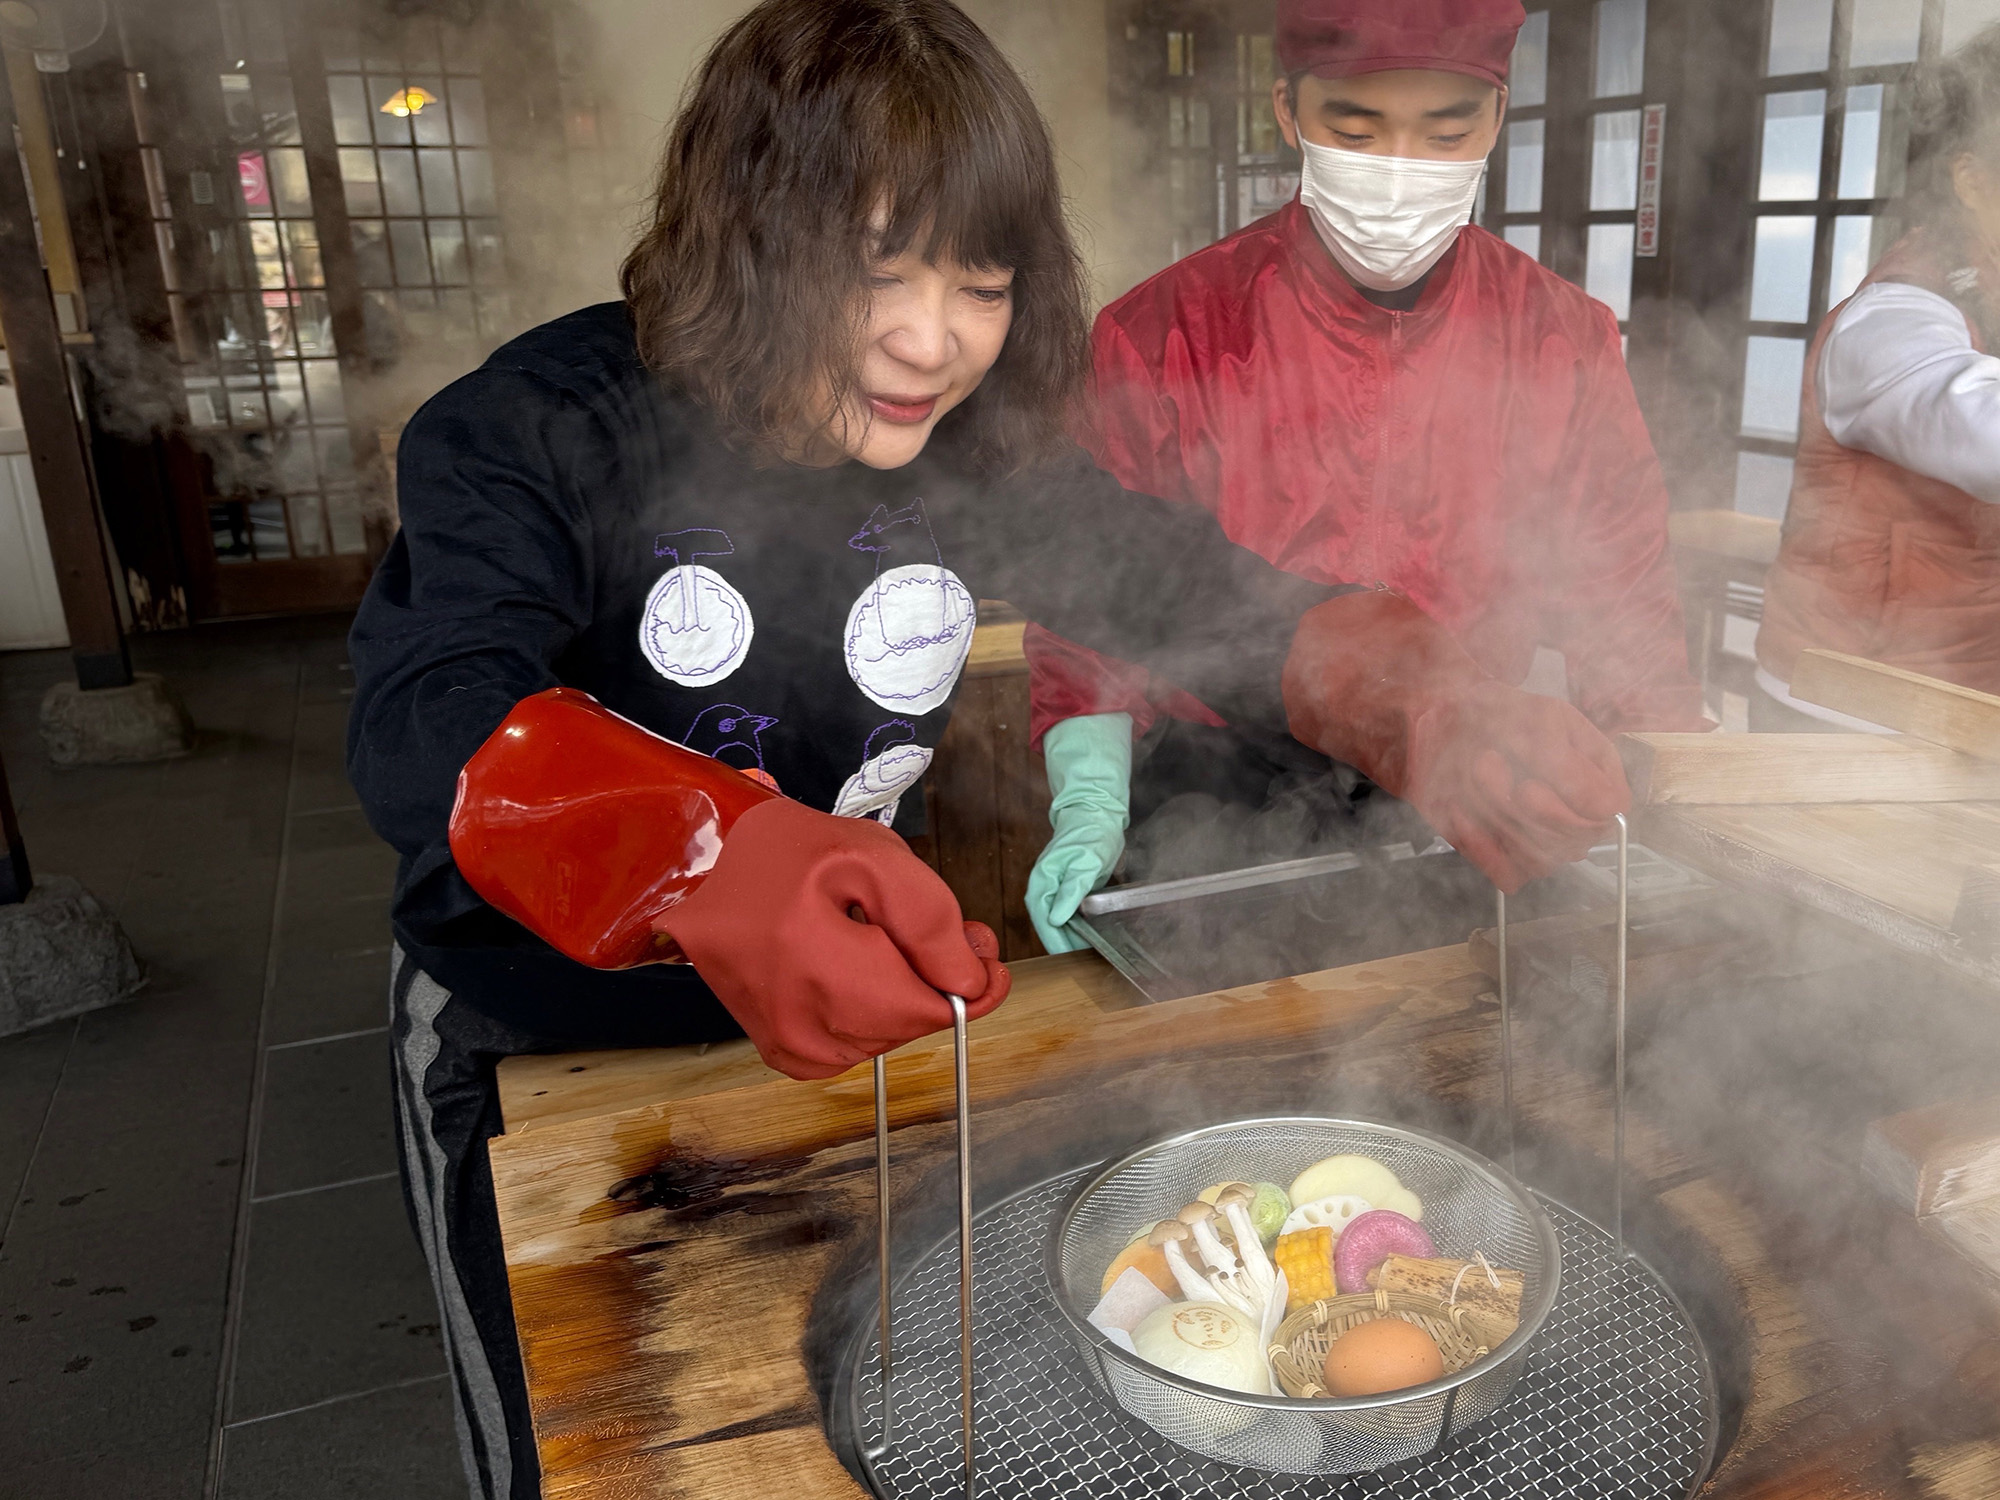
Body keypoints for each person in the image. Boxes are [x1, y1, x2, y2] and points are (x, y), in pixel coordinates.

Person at [339, 2, 1491, 1493]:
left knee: (789, 1425)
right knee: (586, 1450)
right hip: (541, 1037)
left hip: (829, 1035)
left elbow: (1160, 576)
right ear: (742, 238)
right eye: (870, 272)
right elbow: (425, 715)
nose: (929, 340)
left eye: (981, 283)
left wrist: (1372, 672)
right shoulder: (537, 428)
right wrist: (704, 855)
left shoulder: (963, 439)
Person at [1023, 0, 1705, 952]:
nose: (1399, 169)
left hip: (1472, 787)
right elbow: (1097, 595)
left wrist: (1675, 807)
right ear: (1289, 110)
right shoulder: (1168, 330)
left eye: (1446, 133)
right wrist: (1093, 799)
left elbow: (1624, 605)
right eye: (1356, 128)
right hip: (1219, 794)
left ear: (1497, 115)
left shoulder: (1563, 343)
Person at [1755, 24, 2000, 731]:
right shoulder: (1894, 313)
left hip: (1967, 702)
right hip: (1845, 704)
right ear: (1972, 181)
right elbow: (1982, 432)